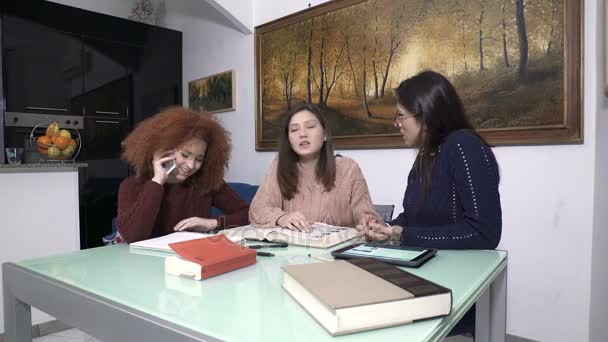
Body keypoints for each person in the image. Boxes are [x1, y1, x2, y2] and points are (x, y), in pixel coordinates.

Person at [365, 70, 502, 250]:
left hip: (457, 272)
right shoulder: (426, 155)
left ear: (425, 114)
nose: (396, 123)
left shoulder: (464, 145)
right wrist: (385, 227)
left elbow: (484, 233)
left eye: (400, 115)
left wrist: (402, 234)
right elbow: (414, 219)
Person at [116, 106, 249, 243]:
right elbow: (133, 237)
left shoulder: (206, 183)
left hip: (191, 259)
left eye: (199, 159)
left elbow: (248, 214)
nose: (191, 165)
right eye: (185, 155)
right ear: (163, 150)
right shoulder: (132, 185)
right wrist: (157, 182)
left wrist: (212, 223)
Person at [249, 103, 380, 232]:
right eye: (294, 130)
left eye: (310, 126)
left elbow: (367, 215)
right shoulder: (279, 165)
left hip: (337, 250)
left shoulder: (348, 168)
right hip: (294, 249)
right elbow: (257, 209)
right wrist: (281, 217)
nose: (302, 134)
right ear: (289, 139)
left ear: (325, 134)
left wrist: (370, 224)